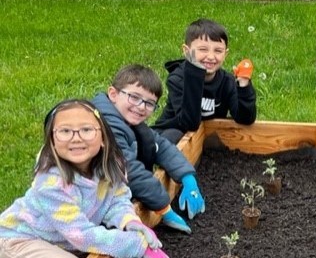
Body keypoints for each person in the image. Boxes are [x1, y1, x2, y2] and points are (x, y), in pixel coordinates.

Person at [0, 99, 168, 258]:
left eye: (86, 130)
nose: (76, 138)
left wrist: (129, 221)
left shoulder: (112, 164)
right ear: (52, 141)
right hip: (20, 238)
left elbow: (116, 199)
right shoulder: (51, 183)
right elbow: (80, 235)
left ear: (103, 137)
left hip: (62, 240)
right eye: (65, 131)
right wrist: (136, 244)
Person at [92, 64, 205, 234]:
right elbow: (130, 170)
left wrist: (187, 177)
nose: (141, 106)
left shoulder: (127, 120)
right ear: (113, 94)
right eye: (134, 97)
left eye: (149, 103)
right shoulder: (106, 127)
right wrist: (164, 208)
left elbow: (162, 146)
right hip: (91, 202)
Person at [152, 18, 257, 144]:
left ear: (225, 54)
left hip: (203, 136)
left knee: (218, 141)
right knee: (174, 135)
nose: (211, 56)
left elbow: (245, 119)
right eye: (203, 49)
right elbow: (189, 123)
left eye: (218, 51)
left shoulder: (227, 81)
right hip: (170, 133)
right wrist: (195, 73)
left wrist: (243, 85)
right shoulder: (178, 80)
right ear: (187, 51)